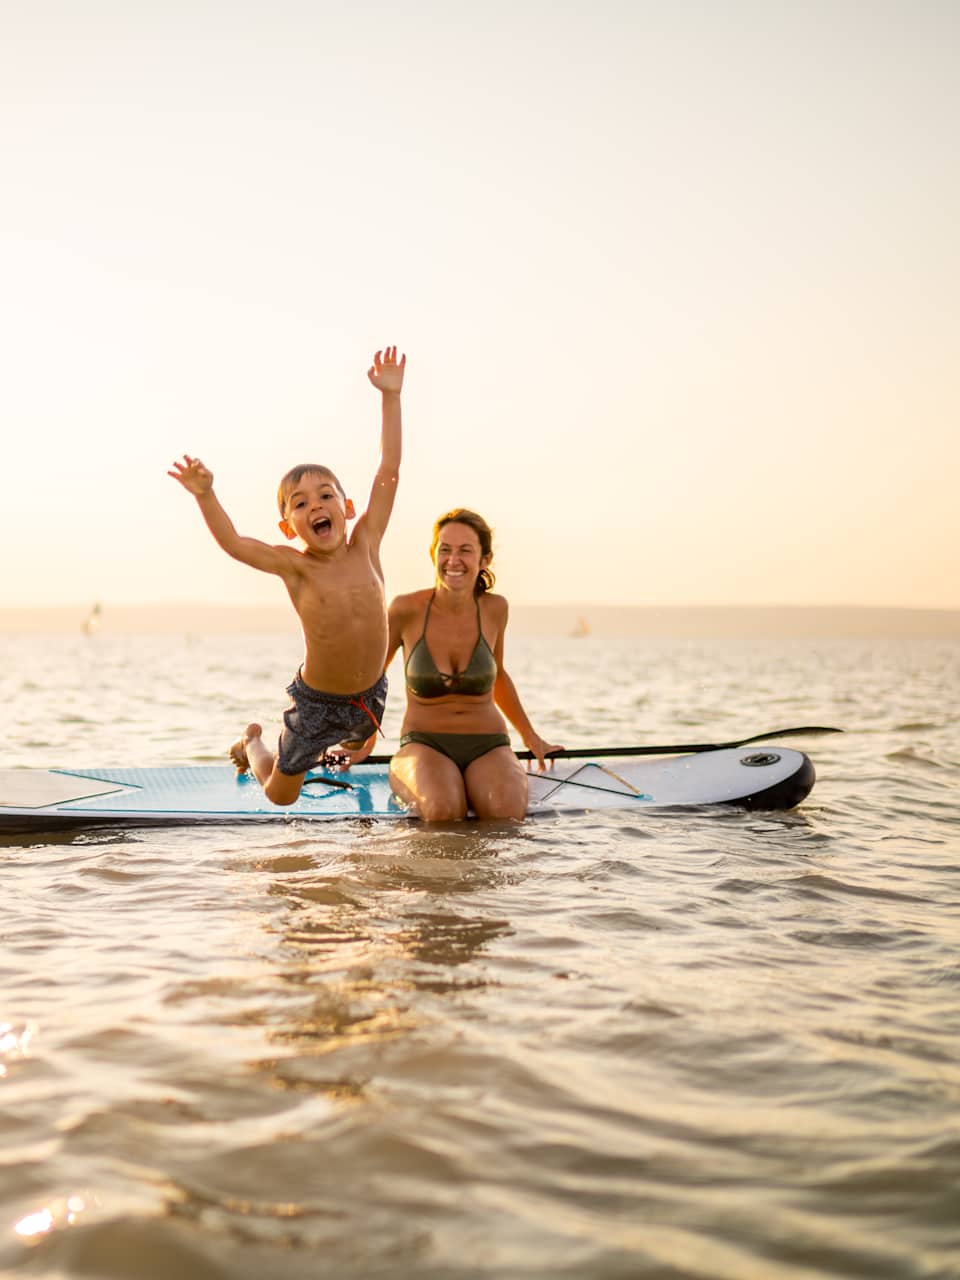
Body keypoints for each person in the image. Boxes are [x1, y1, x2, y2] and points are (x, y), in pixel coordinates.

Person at [168, 346, 406, 805]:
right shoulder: (296, 567)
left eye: (325, 496)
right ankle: (253, 744)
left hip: (370, 694)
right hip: (316, 704)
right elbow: (236, 544)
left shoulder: (367, 542)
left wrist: (390, 397)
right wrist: (205, 494)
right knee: (282, 795)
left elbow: (389, 469)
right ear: (288, 527)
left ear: (347, 507)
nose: (315, 505)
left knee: (355, 748)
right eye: (300, 503)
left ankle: (331, 756)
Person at [385, 508, 562, 821]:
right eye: (445, 549)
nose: (453, 560)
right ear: (433, 554)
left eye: (465, 550)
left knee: (505, 814)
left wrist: (532, 739)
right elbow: (372, 680)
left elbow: (499, 676)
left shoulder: (495, 609)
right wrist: (359, 740)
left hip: (489, 744)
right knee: (443, 811)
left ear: (485, 559)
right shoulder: (405, 610)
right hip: (424, 743)